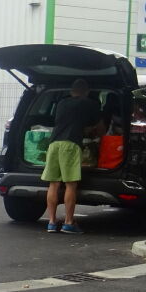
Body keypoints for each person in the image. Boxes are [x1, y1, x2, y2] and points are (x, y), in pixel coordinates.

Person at [42, 78, 100, 234]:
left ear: (71, 91)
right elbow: (96, 126)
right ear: (86, 92)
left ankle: (52, 222)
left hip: (54, 144)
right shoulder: (87, 103)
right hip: (70, 144)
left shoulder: (61, 103)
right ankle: (68, 223)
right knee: (70, 185)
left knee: (53, 184)